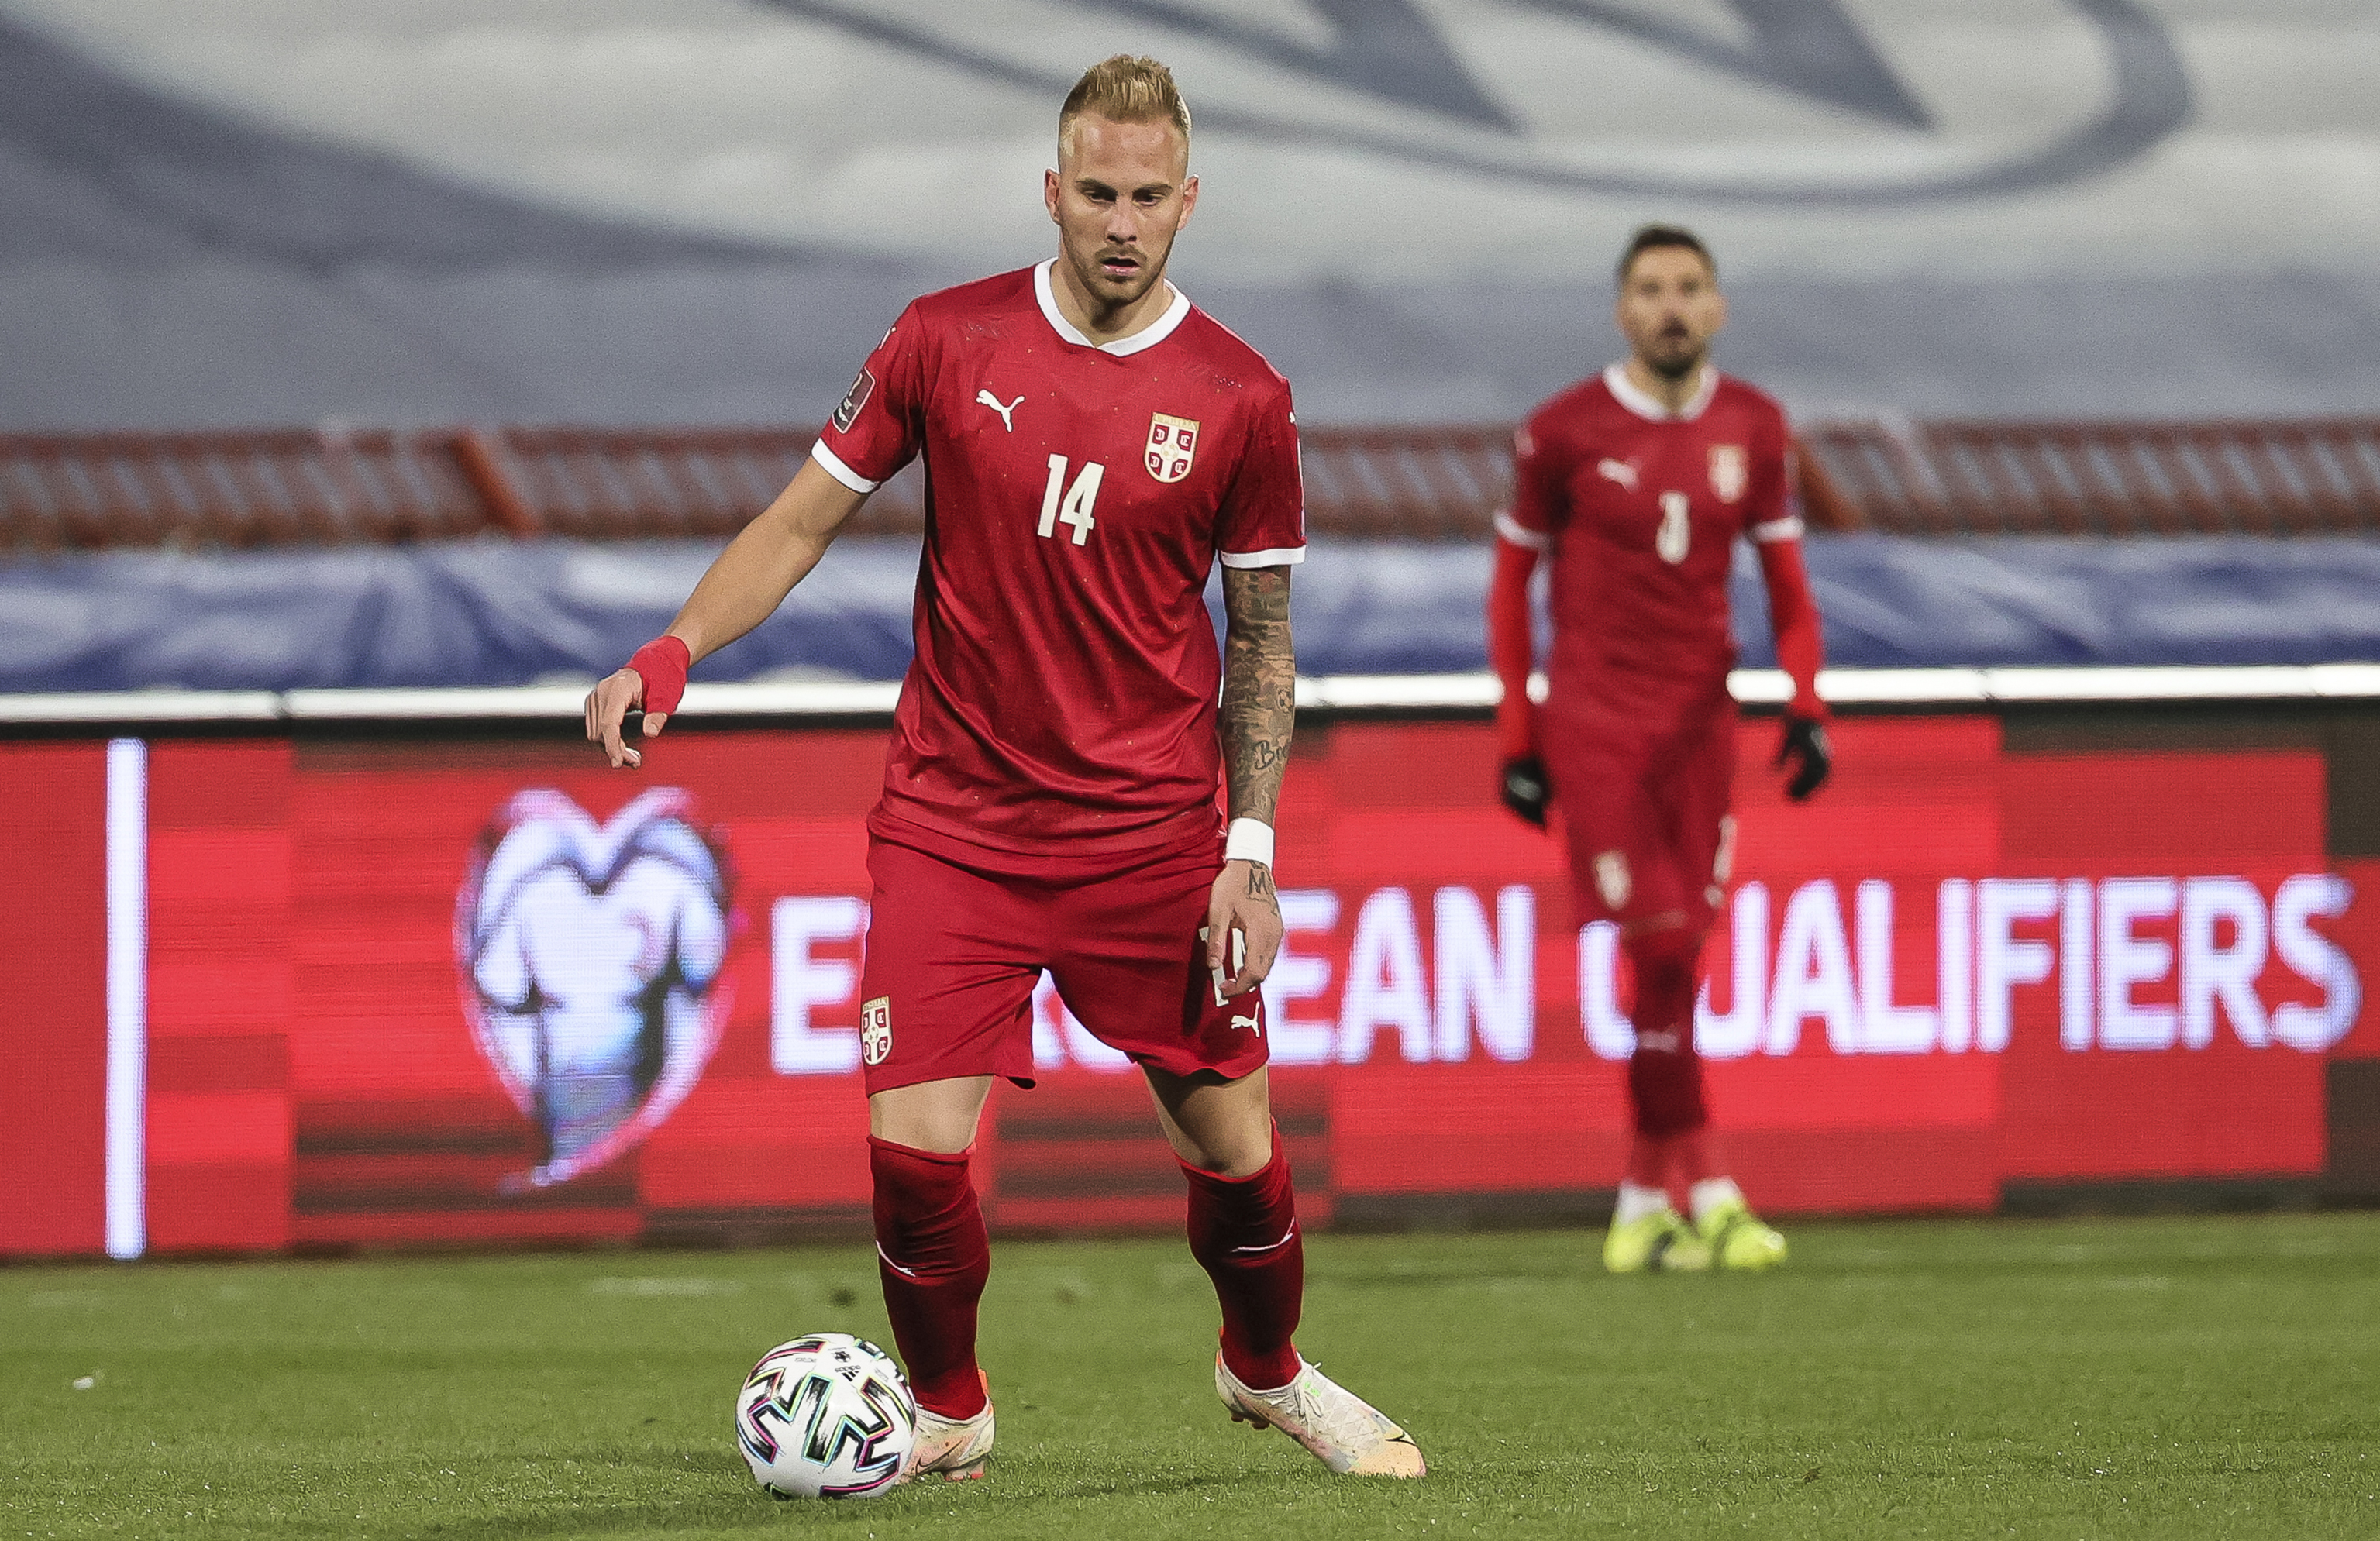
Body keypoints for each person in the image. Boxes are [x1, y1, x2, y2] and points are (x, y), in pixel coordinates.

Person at [585, 55, 1422, 1481]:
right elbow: (797, 524)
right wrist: (674, 651)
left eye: (1148, 196)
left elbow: (1263, 638)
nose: (1120, 219)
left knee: (1238, 1155)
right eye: (1095, 190)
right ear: (1051, 190)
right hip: (955, 824)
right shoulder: (941, 340)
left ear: (1187, 203)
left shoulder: (1240, 396)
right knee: (911, 1156)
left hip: (1152, 838)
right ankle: (952, 1413)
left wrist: (1251, 851)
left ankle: (1266, 1370)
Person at [1486, 225, 1832, 1275]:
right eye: (1651, 289)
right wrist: (1520, 731)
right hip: (1597, 732)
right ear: (1622, 309)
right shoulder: (1562, 431)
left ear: (1717, 306)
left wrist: (1806, 706)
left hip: (1702, 732)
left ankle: (1643, 1198)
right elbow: (1511, 588)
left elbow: (1786, 585)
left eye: (1689, 288)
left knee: (1673, 969)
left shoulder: (1756, 426)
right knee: (1666, 947)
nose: (1671, 307)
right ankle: (1714, 1189)